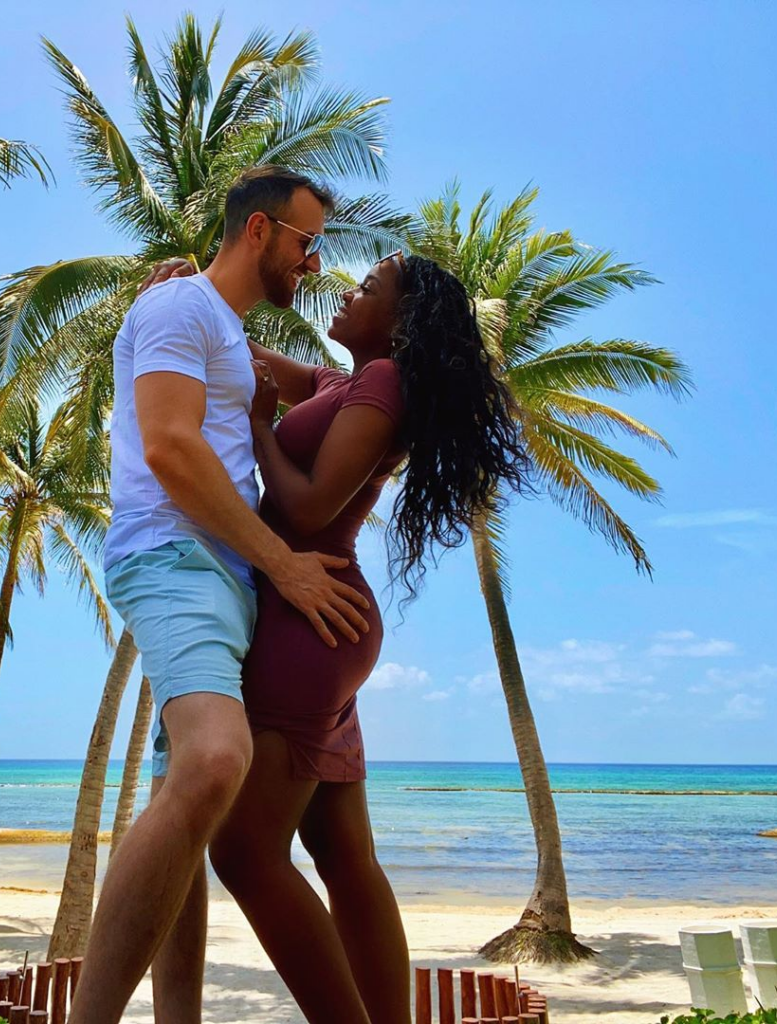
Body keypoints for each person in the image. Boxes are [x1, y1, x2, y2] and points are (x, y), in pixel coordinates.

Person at [142, 250, 527, 1022]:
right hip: (323, 624)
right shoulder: (341, 382)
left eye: (369, 288)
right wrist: (183, 296)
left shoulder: (383, 383)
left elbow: (312, 508)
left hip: (306, 619)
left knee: (245, 854)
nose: (347, 290)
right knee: (343, 855)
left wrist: (255, 428)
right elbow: (241, 355)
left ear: (402, 319)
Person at [68, 166, 373, 1024]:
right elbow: (167, 446)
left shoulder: (225, 332)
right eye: (308, 243)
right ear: (259, 232)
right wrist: (284, 563)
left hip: (224, 575)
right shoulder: (179, 309)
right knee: (214, 761)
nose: (314, 264)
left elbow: (339, 390)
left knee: (186, 805)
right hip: (175, 557)